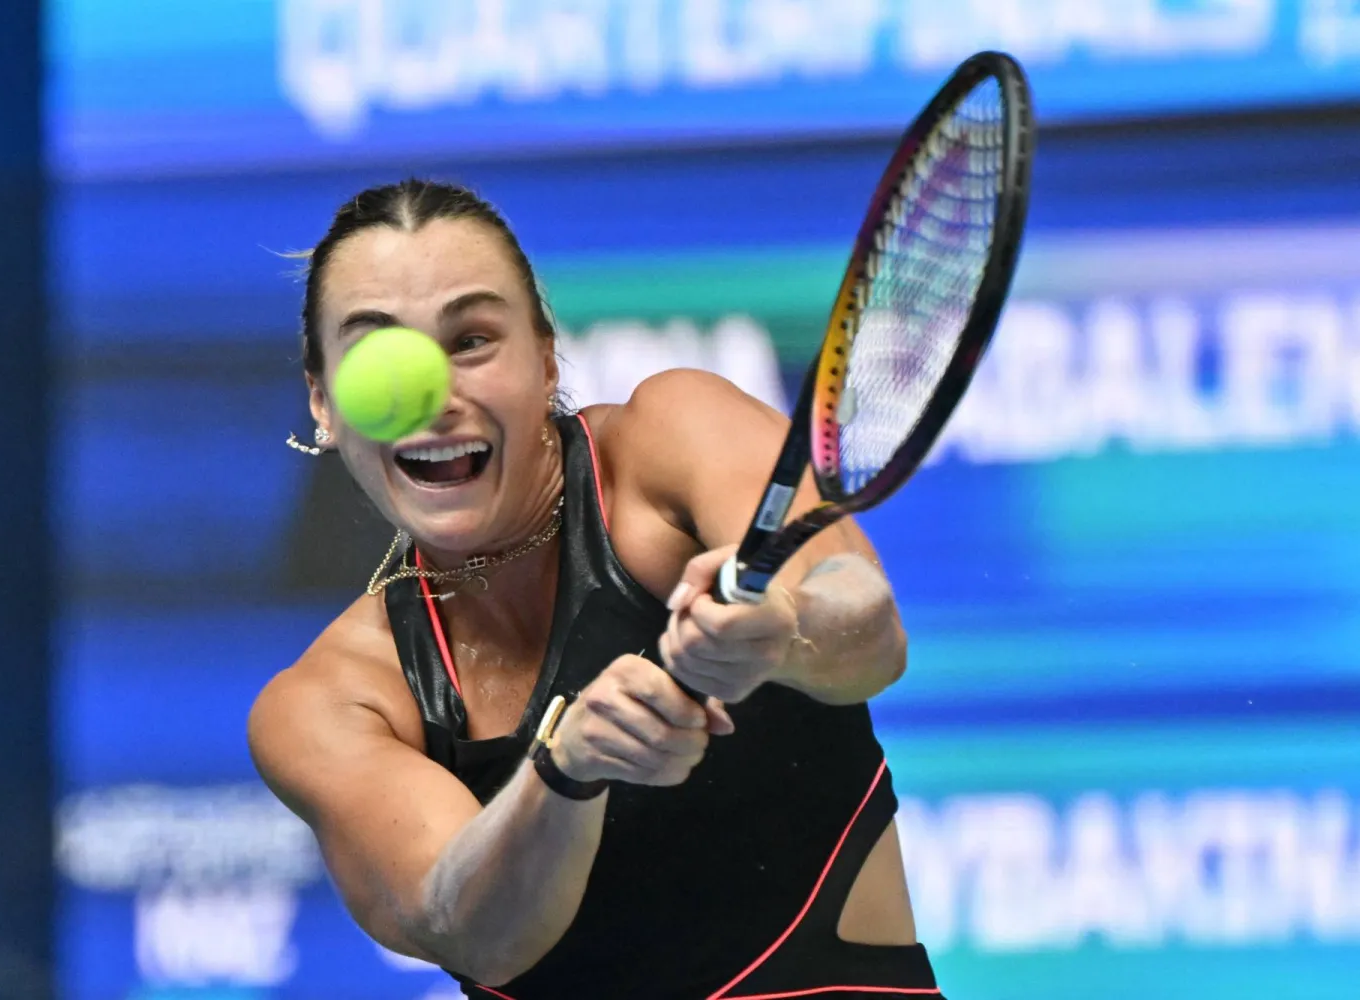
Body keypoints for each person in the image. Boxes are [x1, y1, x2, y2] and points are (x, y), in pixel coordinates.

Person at [249, 179, 942, 1000]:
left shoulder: (666, 447)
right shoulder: (331, 704)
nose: (430, 395)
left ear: (546, 362)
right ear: (324, 402)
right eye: (377, 354)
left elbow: (866, 626)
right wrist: (563, 770)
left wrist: (783, 628)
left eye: (471, 340)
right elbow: (473, 928)